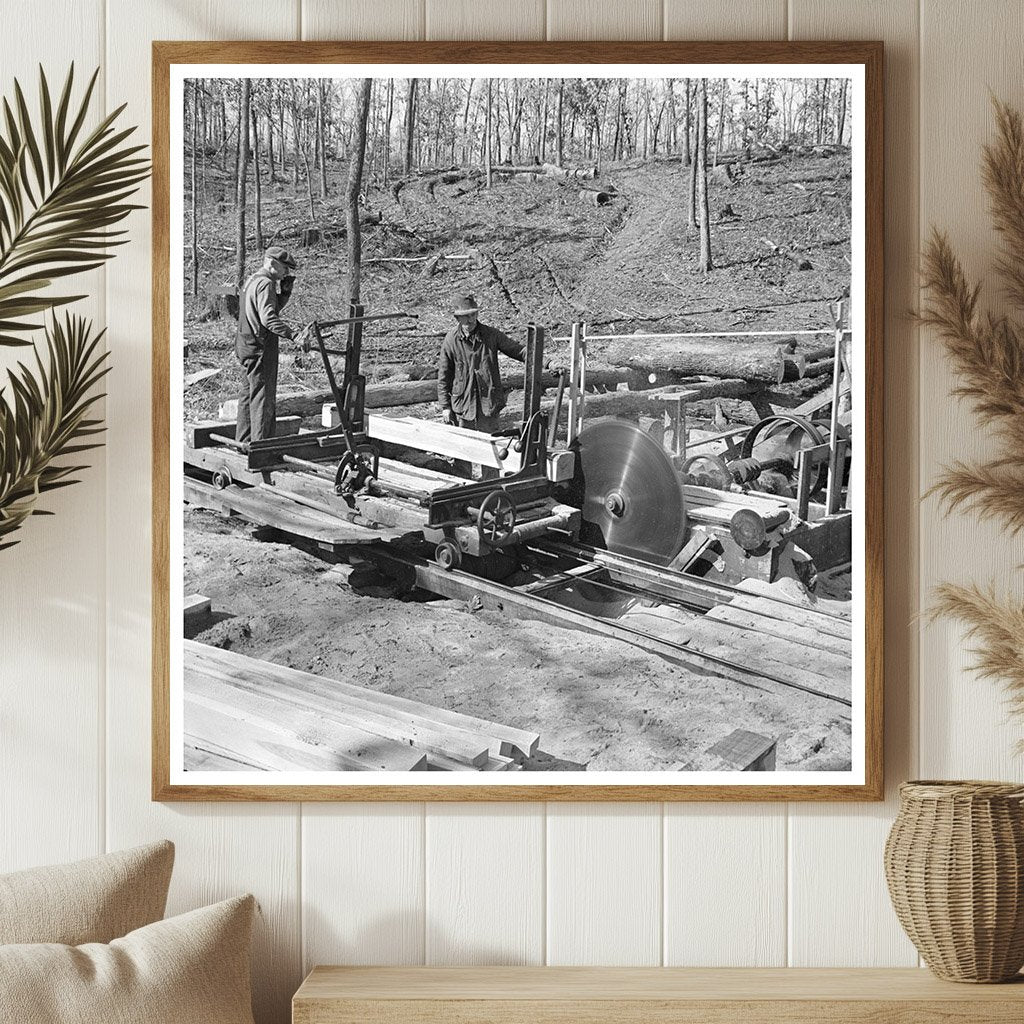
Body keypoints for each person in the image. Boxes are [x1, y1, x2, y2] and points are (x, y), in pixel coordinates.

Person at [235, 245, 298, 444]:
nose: (286, 273)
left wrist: (284, 295)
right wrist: (293, 335)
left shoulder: (252, 280)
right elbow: (268, 319)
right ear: (271, 263)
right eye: (284, 268)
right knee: (263, 398)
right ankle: (261, 449)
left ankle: (244, 442)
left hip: (245, 344)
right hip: (261, 347)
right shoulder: (266, 284)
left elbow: (262, 309)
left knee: (248, 394)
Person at [436, 293, 525, 435]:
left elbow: (519, 351)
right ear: (458, 318)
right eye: (466, 316)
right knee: (463, 449)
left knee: (490, 447)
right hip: (463, 406)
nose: (471, 319)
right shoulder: (451, 340)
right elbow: (444, 376)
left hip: (488, 405)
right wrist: (445, 407)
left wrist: (548, 362)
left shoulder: (491, 335)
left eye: (474, 314)